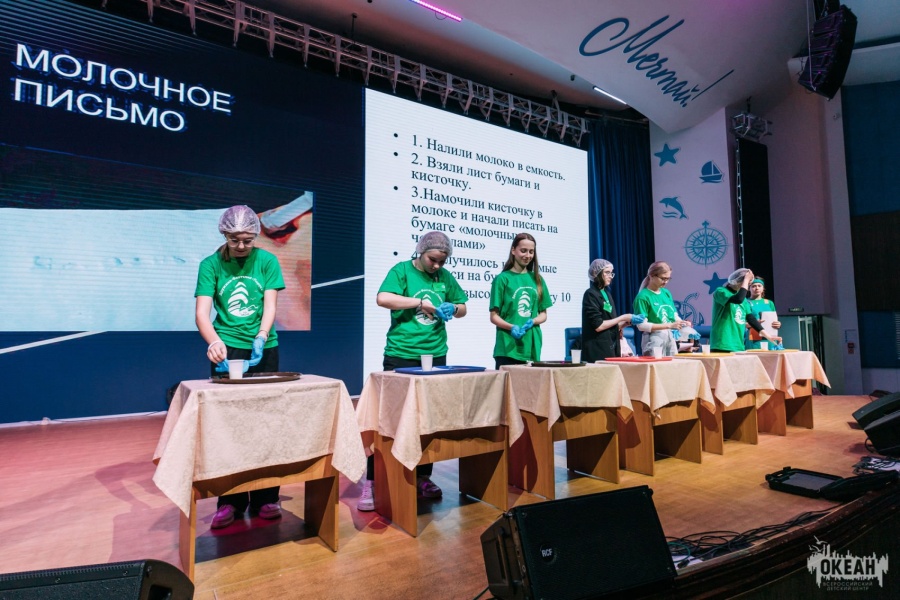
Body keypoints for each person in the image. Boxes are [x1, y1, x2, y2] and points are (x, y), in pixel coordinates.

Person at [357, 231, 468, 511]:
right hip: (401, 354)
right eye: (433, 260)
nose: (437, 266)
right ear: (421, 252)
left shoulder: (444, 277)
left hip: (435, 354)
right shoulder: (402, 271)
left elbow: (463, 307)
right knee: (387, 420)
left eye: (442, 261)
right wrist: (419, 303)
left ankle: (422, 477)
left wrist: (453, 308)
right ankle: (373, 481)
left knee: (427, 419)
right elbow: (383, 298)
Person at [194, 205, 286, 529]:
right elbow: (202, 313)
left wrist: (262, 335)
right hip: (228, 346)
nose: (242, 246)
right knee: (228, 426)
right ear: (224, 235)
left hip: (264, 347)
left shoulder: (267, 261)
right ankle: (229, 500)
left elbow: (270, 305)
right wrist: (213, 342)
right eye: (235, 240)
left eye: (248, 240)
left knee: (266, 422)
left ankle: (267, 496)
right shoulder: (211, 264)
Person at [489, 233, 553, 369]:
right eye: (523, 251)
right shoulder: (502, 279)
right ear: (513, 250)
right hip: (507, 346)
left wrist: (534, 321)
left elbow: (543, 314)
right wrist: (511, 327)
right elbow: (494, 316)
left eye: (531, 252)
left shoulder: (538, 279)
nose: (527, 255)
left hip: (531, 346)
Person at [711, 268, 782, 353]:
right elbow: (738, 299)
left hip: (738, 344)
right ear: (739, 282)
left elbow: (751, 319)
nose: (747, 287)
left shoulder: (744, 300)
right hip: (722, 343)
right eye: (749, 284)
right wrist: (746, 280)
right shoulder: (721, 291)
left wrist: (768, 336)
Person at [632, 261, 690, 356]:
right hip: (653, 339)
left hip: (669, 337)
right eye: (663, 278)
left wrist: (682, 323)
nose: (666, 282)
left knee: (673, 364)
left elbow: (673, 315)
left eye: (668, 279)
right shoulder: (642, 297)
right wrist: (669, 325)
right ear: (651, 276)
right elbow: (641, 326)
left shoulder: (666, 293)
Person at [581, 259, 633, 361]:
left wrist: (624, 323)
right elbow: (598, 326)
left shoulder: (607, 294)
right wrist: (622, 317)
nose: (610, 276)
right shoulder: (591, 294)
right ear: (595, 273)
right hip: (597, 349)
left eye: (611, 273)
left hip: (610, 347)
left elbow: (608, 324)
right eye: (607, 272)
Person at [745, 276, 781, 349]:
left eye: (759, 286)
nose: (757, 288)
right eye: (753, 286)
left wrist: (778, 324)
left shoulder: (769, 303)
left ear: (763, 288)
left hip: (770, 337)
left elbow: (774, 320)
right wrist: (754, 324)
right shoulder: (745, 302)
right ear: (749, 288)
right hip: (753, 339)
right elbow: (741, 323)